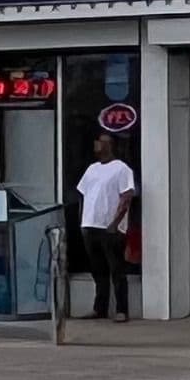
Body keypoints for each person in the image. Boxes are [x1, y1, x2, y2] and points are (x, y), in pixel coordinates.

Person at [73, 135, 137, 321]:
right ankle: (99, 308)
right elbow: (83, 195)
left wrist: (115, 223)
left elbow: (126, 197)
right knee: (98, 270)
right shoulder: (92, 169)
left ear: (110, 145)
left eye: (101, 141)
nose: (96, 144)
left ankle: (121, 310)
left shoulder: (121, 169)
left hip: (110, 228)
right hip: (90, 225)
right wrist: (82, 221)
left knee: (117, 270)